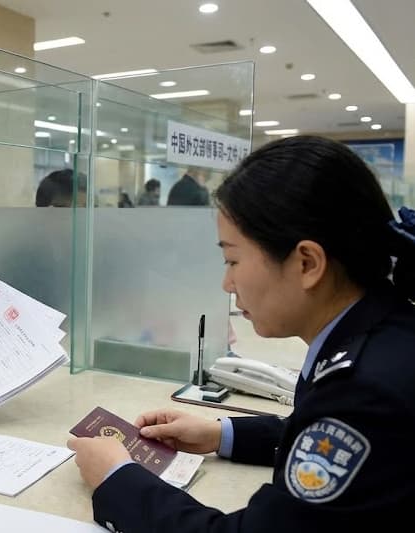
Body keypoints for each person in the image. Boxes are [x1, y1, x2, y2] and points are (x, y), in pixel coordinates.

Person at [68, 136, 415, 531]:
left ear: (307, 263)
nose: (227, 284)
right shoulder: (382, 330)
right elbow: (319, 440)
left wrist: (117, 479)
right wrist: (221, 434)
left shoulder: (364, 392)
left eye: (232, 260)